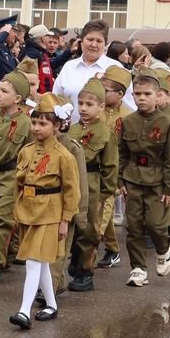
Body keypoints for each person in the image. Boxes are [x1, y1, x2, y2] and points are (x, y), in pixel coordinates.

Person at [8, 92, 79, 329]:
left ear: (57, 126)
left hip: (50, 213)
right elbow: (18, 184)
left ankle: (24, 311)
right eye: (34, 121)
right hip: (28, 210)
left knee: (33, 261)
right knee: (42, 263)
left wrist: (65, 220)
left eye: (43, 123)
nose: (37, 127)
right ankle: (51, 304)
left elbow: (72, 191)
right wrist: (15, 211)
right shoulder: (26, 150)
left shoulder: (63, 156)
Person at [117, 70, 170, 287]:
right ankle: (138, 268)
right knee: (133, 225)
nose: (141, 98)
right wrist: (120, 181)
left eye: (147, 94)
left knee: (155, 223)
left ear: (157, 95)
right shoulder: (127, 121)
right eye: (137, 94)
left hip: (157, 181)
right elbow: (122, 153)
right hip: (133, 177)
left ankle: (163, 249)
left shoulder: (167, 122)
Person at [0, 66, 34, 281]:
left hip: (13, 178)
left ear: (18, 98)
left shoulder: (28, 123)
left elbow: (31, 155)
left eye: (4, 91)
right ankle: (11, 250)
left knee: (3, 219)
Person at [67, 78, 116, 291]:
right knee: (72, 226)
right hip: (72, 183)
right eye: (80, 104)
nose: (83, 109)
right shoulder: (71, 130)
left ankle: (86, 270)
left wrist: (104, 196)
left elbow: (111, 167)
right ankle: (76, 258)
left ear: (101, 107)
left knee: (89, 229)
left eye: (89, 104)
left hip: (93, 184)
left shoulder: (105, 133)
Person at [50, 19, 119, 123]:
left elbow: (128, 106)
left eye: (99, 41)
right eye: (90, 39)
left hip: (104, 135)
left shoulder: (115, 68)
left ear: (105, 44)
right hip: (70, 134)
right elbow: (55, 101)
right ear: (81, 41)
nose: (93, 44)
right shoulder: (69, 67)